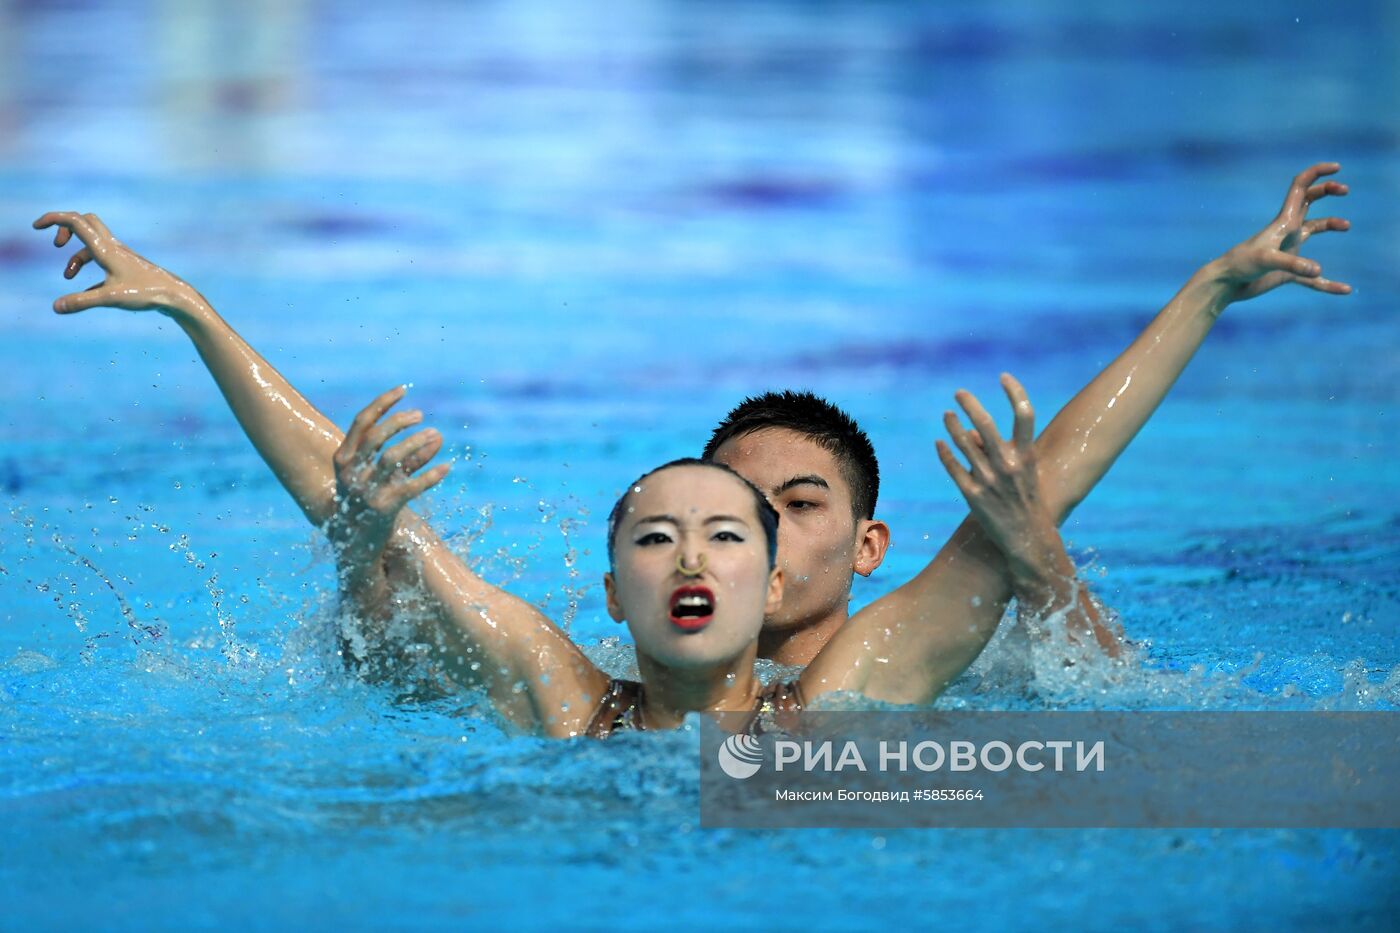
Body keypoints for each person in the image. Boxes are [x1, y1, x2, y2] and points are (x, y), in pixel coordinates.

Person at [32, 161, 1350, 728]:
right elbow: (363, 495)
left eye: (731, 532)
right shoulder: (563, 698)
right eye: (657, 537)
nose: (692, 554)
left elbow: (1034, 490)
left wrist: (1207, 296)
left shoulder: (843, 702)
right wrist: (196, 312)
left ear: (775, 577)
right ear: (614, 591)